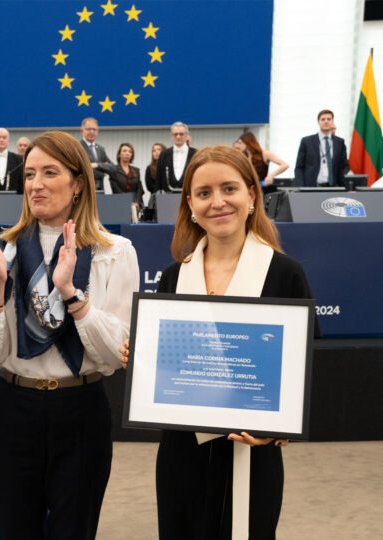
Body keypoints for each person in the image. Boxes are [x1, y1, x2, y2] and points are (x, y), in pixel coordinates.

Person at [122, 145, 316, 539]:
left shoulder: (285, 274)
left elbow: (306, 371)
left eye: (229, 189)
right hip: (182, 454)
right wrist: (143, 363)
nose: (218, 202)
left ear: (251, 195)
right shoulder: (174, 278)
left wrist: (277, 431)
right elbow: (172, 366)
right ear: (190, 204)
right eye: (204, 193)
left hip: (252, 451)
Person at [0, 131, 139, 539]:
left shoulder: (116, 252)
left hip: (81, 410)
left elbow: (116, 355)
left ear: (78, 183)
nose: (36, 184)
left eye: (50, 172)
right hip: (13, 408)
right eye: (29, 174)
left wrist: (71, 294)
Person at [294, 109, 348, 187]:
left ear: (333, 121)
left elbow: (342, 166)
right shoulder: (307, 141)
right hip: (311, 188)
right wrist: (301, 188)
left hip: (333, 188)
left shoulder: (339, 142)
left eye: (329, 119)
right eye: (323, 119)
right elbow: (299, 167)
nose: (326, 121)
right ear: (318, 122)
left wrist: (345, 187)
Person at [155, 121, 197, 191]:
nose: (178, 136)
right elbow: (158, 179)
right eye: (175, 134)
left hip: (190, 195)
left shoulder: (196, 154)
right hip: (167, 197)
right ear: (171, 136)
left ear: (186, 136)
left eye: (181, 134)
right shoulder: (164, 154)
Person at [79, 117, 116, 190]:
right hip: (84, 190)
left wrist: (97, 165)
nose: (92, 131)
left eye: (94, 129)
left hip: (100, 190)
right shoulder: (77, 147)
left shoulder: (100, 149)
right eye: (89, 129)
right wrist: (102, 173)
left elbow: (113, 168)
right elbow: (81, 170)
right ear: (82, 131)